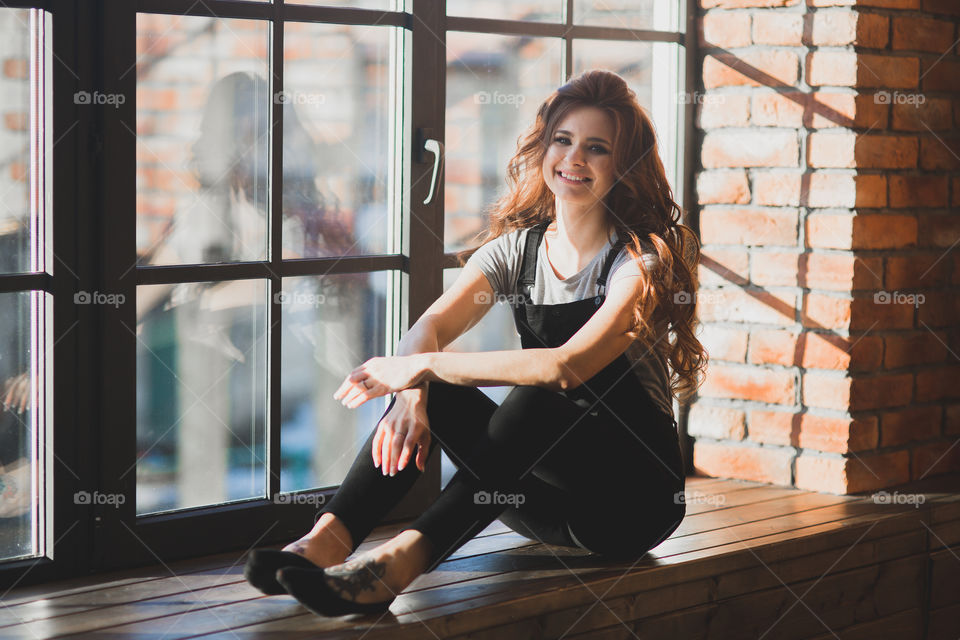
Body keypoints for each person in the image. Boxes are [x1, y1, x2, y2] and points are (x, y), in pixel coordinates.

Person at [244, 68, 708, 617]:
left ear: (623, 166)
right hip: (540, 503)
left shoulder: (637, 260)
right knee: (436, 392)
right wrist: (413, 395)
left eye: (597, 148)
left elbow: (566, 367)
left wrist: (423, 368)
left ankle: (397, 564)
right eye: (563, 140)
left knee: (536, 395)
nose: (574, 158)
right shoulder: (517, 251)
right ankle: (327, 540)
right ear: (544, 149)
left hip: (632, 504)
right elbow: (428, 328)